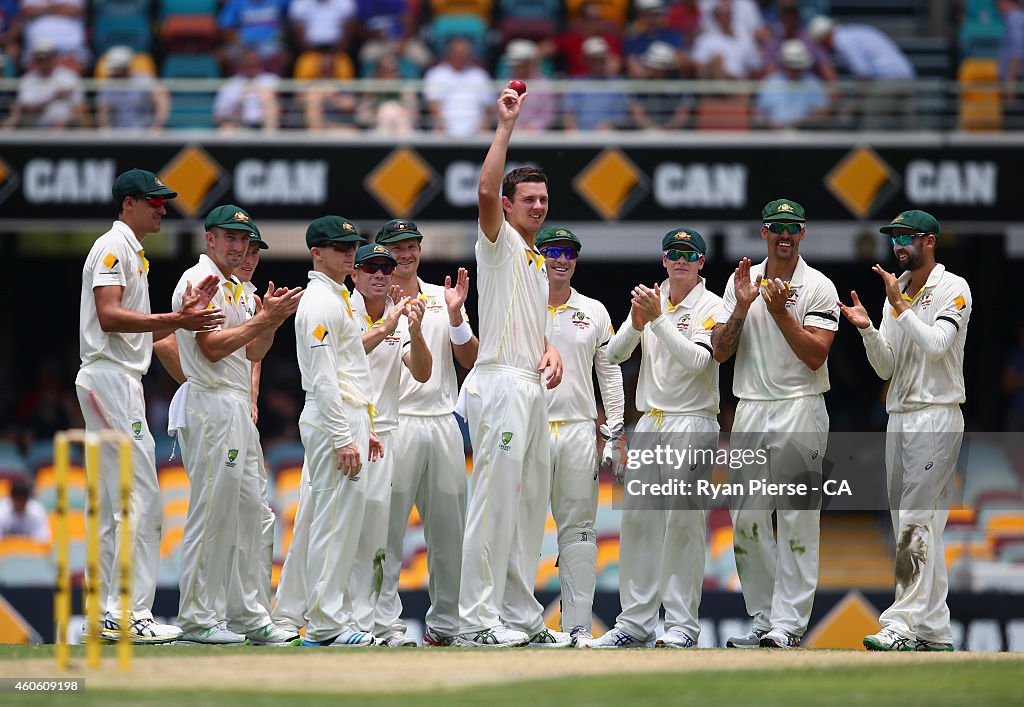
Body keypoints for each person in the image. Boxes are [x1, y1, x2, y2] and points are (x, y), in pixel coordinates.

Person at [75, 168, 223, 644]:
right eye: (153, 201)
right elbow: (110, 315)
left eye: (163, 201)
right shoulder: (114, 246)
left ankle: (105, 613)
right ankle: (131, 613)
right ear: (128, 204)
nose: (162, 207)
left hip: (115, 378)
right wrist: (178, 317)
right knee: (143, 498)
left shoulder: (132, 252)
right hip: (111, 378)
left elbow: (146, 328)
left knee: (112, 502)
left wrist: (182, 317)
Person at [455, 83, 566, 648]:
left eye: (544, 199)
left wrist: (546, 349)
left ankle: (521, 617)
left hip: (528, 384)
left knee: (526, 510)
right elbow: (483, 187)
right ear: (508, 206)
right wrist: (505, 126)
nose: (539, 207)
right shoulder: (496, 242)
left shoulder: (536, 258)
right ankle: (476, 620)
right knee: (494, 505)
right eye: (529, 199)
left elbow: (528, 323)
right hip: (497, 383)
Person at [839, 210, 971, 653]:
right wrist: (868, 332)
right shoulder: (895, 290)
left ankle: (900, 622)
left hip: (936, 415)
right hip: (899, 416)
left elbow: (936, 346)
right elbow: (887, 367)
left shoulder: (954, 288)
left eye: (906, 237)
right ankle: (934, 629)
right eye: (894, 238)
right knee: (914, 524)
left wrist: (899, 305)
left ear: (930, 241)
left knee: (915, 523)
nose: (898, 245)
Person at [711, 198, 839, 649]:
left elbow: (815, 355)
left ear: (802, 233)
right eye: (776, 227)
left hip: (800, 407)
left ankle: (789, 624)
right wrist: (743, 307)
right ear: (763, 232)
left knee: (798, 519)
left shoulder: (819, 286)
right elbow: (721, 352)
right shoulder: (739, 282)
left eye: (793, 228)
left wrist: (781, 310)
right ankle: (764, 619)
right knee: (745, 518)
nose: (784, 235)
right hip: (750, 408)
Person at [173, 205, 302, 645]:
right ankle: (196, 620)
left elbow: (254, 352)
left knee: (254, 515)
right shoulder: (198, 281)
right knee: (213, 514)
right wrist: (264, 321)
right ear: (209, 239)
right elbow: (209, 349)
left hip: (235, 407)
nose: (240, 247)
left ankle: (248, 615)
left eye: (244, 240)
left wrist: (270, 320)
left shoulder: (241, 290)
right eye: (230, 238)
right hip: (209, 404)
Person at [589, 228, 724, 649]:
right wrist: (635, 322)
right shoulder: (651, 298)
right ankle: (635, 624)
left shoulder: (713, 305)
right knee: (639, 525)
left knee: (683, 525)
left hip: (694, 421)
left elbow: (700, 359)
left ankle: (682, 627)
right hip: (650, 422)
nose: (680, 260)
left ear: (701, 261)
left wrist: (659, 319)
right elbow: (612, 355)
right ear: (664, 260)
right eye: (673, 253)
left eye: (689, 254)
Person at [373, 218, 478, 647]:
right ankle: (384, 626)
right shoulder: (370, 300)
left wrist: (456, 317)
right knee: (387, 533)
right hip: (395, 424)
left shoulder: (442, 295)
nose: (405, 254)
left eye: (411, 245)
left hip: (442, 421)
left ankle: (447, 625)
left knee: (450, 534)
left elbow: (470, 358)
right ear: (382, 252)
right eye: (396, 247)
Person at [280, 216, 379, 647]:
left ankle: (328, 618)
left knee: (340, 522)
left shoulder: (337, 297)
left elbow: (347, 369)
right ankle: (324, 624)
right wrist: (343, 436)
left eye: (351, 245)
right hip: (331, 418)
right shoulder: (320, 302)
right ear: (316, 252)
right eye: (338, 246)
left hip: (345, 415)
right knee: (333, 523)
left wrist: (365, 427)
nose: (349, 252)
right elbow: (323, 378)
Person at [532, 226, 625, 646]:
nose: (560, 259)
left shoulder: (594, 311)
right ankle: (518, 623)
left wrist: (615, 432)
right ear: (538, 256)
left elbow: (609, 372)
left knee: (580, 530)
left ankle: (576, 628)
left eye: (568, 252)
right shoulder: (518, 304)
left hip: (577, 430)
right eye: (552, 250)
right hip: (527, 427)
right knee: (519, 528)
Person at [346, 243, 431, 644]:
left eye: (386, 268)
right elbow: (346, 352)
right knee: (342, 529)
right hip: (345, 431)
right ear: (355, 274)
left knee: (380, 536)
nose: (380, 275)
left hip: (386, 433)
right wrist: (388, 325)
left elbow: (423, 373)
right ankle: (331, 619)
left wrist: (413, 329)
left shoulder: (398, 318)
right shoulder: (343, 311)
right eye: (372, 268)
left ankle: (376, 622)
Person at [1, 40, 83, 129]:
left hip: (65, 125)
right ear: (35, 60)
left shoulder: (69, 77)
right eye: (40, 59)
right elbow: (28, 109)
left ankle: (58, 140)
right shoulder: (28, 79)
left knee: (59, 112)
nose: (44, 63)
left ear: (55, 57)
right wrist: (54, 97)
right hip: (36, 126)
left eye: (47, 58)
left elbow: (79, 108)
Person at [423, 36, 493, 137]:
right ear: (449, 54)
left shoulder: (480, 75)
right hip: (443, 130)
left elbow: (487, 107)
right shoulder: (436, 74)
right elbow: (433, 104)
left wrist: (483, 125)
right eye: (458, 54)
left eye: (464, 54)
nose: (461, 57)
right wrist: (442, 125)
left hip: (477, 132)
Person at [807, 15, 914, 80]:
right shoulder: (853, 33)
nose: (823, 48)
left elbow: (863, 72)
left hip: (887, 78)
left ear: (825, 36)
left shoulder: (843, 41)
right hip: (906, 74)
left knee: (874, 116)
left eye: (820, 43)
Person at [755, 39, 829, 129]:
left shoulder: (812, 83)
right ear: (784, 64)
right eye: (791, 65)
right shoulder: (769, 83)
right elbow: (760, 113)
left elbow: (822, 112)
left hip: (806, 135)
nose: (794, 69)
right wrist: (772, 123)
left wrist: (806, 121)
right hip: (773, 136)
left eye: (796, 65)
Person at [95, 46, 170, 131]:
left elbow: (162, 100)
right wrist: (105, 131)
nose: (114, 73)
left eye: (117, 69)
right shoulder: (107, 85)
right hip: (117, 136)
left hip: (144, 134)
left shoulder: (144, 80)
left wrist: (157, 128)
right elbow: (103, 113)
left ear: (126, 68)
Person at [563, 37, 629, 132]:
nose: (598, 63)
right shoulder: (576, 83)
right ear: (586, 60)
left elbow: (621, 117)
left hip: (610, 140)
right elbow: (569, 114)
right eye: (594, 59)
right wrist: (574, 136)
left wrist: (610, 125)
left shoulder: (618, 84)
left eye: (601, 59)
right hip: (580, 141)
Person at [214, 48, 280, 132]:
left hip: (264, 122)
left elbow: (280, 105)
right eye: (248, 61)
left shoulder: (271, 80)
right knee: (226, 129)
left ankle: (270, 141)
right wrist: (237, 104)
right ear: (241, 63)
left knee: (269, 102)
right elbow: (218, 115)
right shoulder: (229, 84)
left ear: (259, 62)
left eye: (253, 61)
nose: (251, 64)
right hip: (238, 122)